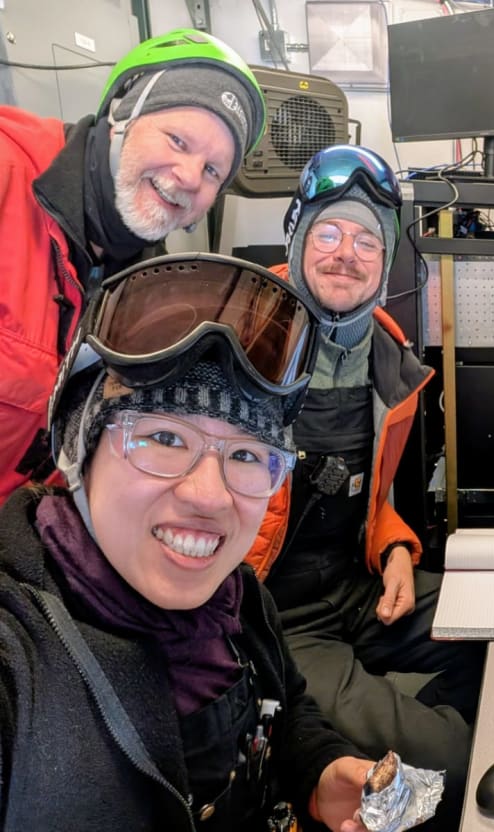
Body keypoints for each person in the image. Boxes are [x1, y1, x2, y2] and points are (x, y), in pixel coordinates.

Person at [0, 252, 404, 832]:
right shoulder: (18, 662)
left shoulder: (239, 602)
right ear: (78, 450)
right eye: (163, 437)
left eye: (245, 455)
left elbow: (285, 715)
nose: (210, 496)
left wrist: (318, 770)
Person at [246, 145, 485, 829]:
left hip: (359, 589)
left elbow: (370, 497)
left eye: (364, 242)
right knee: (465, 756)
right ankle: (403, 752)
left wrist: (398, 551)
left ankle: (395, 732)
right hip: (275, 620)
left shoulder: (388, 358)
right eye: (327, 232)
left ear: (384, 267)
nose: (345, 253)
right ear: (296, 237)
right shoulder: (233, 335)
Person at [0, 28, 266, 504]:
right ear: (122, 111)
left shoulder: (154, 293)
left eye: (212, 171)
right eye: (178, 140)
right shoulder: (6, 175)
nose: (187, 177)